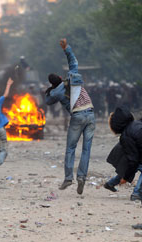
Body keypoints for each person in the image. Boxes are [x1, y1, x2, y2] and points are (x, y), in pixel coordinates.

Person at [45, 39, 95, 195]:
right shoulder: (73, 76)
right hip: (91, 114)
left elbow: (48, 101)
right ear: (61, 77)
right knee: (86, 149)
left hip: (78, 116)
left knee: (71, 149)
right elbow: (73, 61)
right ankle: (81, 177)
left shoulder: (56, 92)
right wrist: (66, 48)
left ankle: (68, 178)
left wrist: (50, 90)